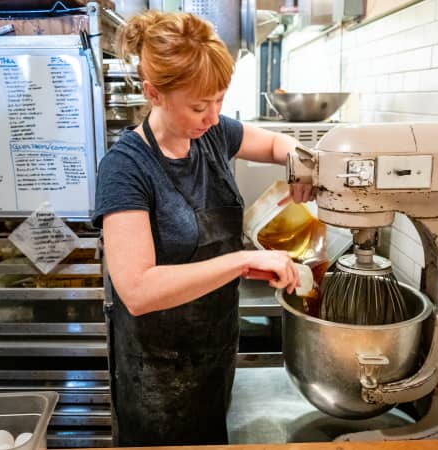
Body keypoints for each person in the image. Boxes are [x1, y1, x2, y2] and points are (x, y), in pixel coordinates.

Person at [92, 10, 313, 446]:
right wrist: (241, 260)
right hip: (155, 369)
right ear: (154, 93)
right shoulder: (125, 169)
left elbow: (272, 142)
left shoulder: (211, 136)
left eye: (219, 100)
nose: (213, 116)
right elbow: (136, 290)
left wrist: (300, 162)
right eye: (198, 105)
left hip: (213, 347)